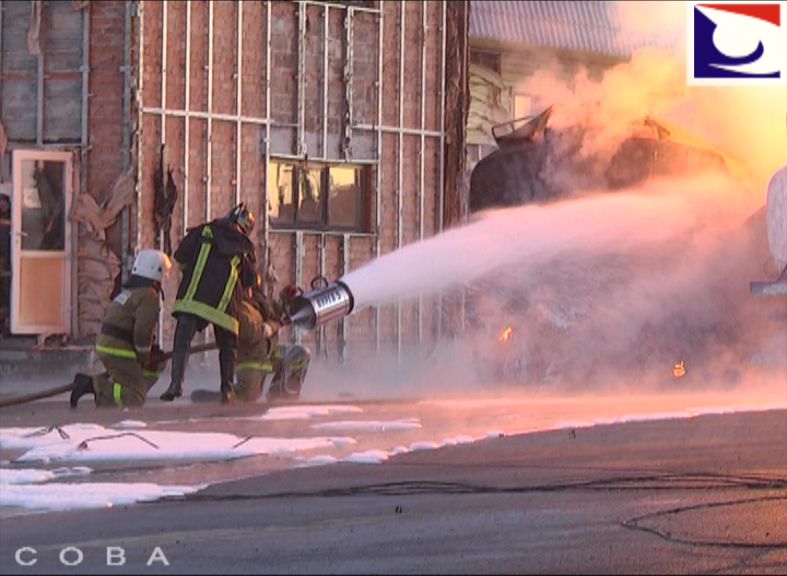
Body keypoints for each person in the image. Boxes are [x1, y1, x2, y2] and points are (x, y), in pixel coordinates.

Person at [160, 202, 258, 403]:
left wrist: (194, 273)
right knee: (228, 347)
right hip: (224, 307)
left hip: (194, 299)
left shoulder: (204, 231)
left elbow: (181, 257)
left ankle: (175, 384)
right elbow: (250, 282)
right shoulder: (245, 249)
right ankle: (227, 391)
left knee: (182, 341)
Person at [70, 249, 172, 409]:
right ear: (157, 273)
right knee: (134, 398)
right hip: (119, 348)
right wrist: (144, 356)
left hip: (107, 344)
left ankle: (129, 384)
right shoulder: (148, 296)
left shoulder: (131, 293)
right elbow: (142, 331)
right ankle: (93, 385)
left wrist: (149, 355)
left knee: (157, 364)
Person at [230, 284, 311, 403]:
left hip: (269, 353)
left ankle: (281, 396)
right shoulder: (238, 308)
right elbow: (252, 333)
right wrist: (272, 326)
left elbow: (271, 311)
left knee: (300, 355)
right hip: (251, 360)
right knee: (247, 396)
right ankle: (220, 396)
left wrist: (285, 300)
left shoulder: (256, 301)